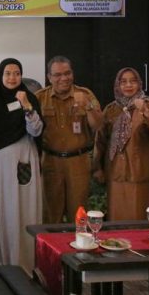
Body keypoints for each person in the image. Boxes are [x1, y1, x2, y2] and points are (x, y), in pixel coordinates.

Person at [0, 58, 43, 272]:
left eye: (17, 73)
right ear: (1, 75)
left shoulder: (30, 99)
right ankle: (4, 266)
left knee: (25, 211)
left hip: (24, 165)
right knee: (4, 213)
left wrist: (27, 106)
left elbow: (36, 131)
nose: (12, 77)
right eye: (7, 73)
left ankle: (26, 265)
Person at [93, 68, 149, 220]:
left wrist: (145, 111)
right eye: (123, 82)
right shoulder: (111, 109)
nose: (128, 85)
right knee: (118, 216)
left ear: (139, 84)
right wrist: (97, 168)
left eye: (133, 81)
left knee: (141, 217)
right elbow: (100, 140)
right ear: (118, 85)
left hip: (142, 172)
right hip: (116, 172)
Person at [35, 56, 103, 224]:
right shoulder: (39, 97)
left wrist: (87, 106)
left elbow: (98, 125)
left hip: (78, 162)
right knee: (51, 215)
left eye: (67, 73)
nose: (64, 78)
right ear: (49, 77)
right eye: (58, 75)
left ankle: (79, 242)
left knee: (79, 214)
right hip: (51, 162)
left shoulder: (85, 94)